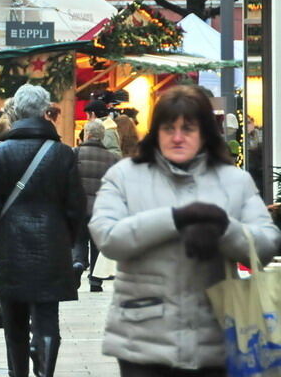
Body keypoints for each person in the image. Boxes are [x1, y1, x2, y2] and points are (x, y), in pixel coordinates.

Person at [90, 85, 281, 376]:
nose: (178, 138)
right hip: (142, 340)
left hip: (214, 339)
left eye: (188, 129)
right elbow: (108, 237)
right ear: (156, 131)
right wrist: (175, 218)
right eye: (169, 128)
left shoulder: (234, 180)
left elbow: (266, 245)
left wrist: (222, 227)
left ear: (205, 131)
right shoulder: (125, 175)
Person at [0, 84, 86, 377]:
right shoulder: (63, 154)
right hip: (52, 246)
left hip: (8, 249)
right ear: (44, 112)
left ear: (14, 113)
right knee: (48, 315)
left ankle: (19, 372)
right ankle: (45, 364)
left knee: (14, 320)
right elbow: (77, 207)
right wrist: (71, 244)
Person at [72, 120, 119, 293]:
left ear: (87, 134)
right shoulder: (112, 158)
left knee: (79, 239)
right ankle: (95, 280)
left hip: (79, 205)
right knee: (97, 243)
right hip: (101, 208)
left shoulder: (75, 153)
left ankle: (78, 262)